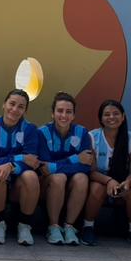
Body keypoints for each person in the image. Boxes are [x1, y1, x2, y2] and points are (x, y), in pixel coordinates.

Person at [0, 89, 42, 246]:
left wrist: (11, 165)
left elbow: (32, 162)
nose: (14, 109)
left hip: (16, 185)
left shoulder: (30, 129)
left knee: (31, 177)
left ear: (25, 110)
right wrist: (17, 159)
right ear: (4, 105)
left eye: (20, 106)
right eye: (12, 104)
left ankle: (24, 225)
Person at [81, 99, 131, 248]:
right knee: (97, 188)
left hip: (123, 182)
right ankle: (88, 227)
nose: (111, 117)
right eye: (107, 114)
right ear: (101, 119)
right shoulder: (93, 137)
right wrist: (109, 181)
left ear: (123, 117)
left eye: (116, 114)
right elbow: (91, 172)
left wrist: (126, 184)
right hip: (101, 181)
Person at [38, 92, 92, 246]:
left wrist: (57, 166)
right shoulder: (42, 133)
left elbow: (86, 165)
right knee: (58, 177)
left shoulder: (82, 133)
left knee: (81, 178)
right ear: (52, 113)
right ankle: (53, 227)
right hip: (48, 185)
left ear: (74, 115)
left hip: (72, 184)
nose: (64, 115)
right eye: (60, 111)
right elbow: (44, 168)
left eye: (68, 112)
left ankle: (69, 226)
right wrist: (74, 159)